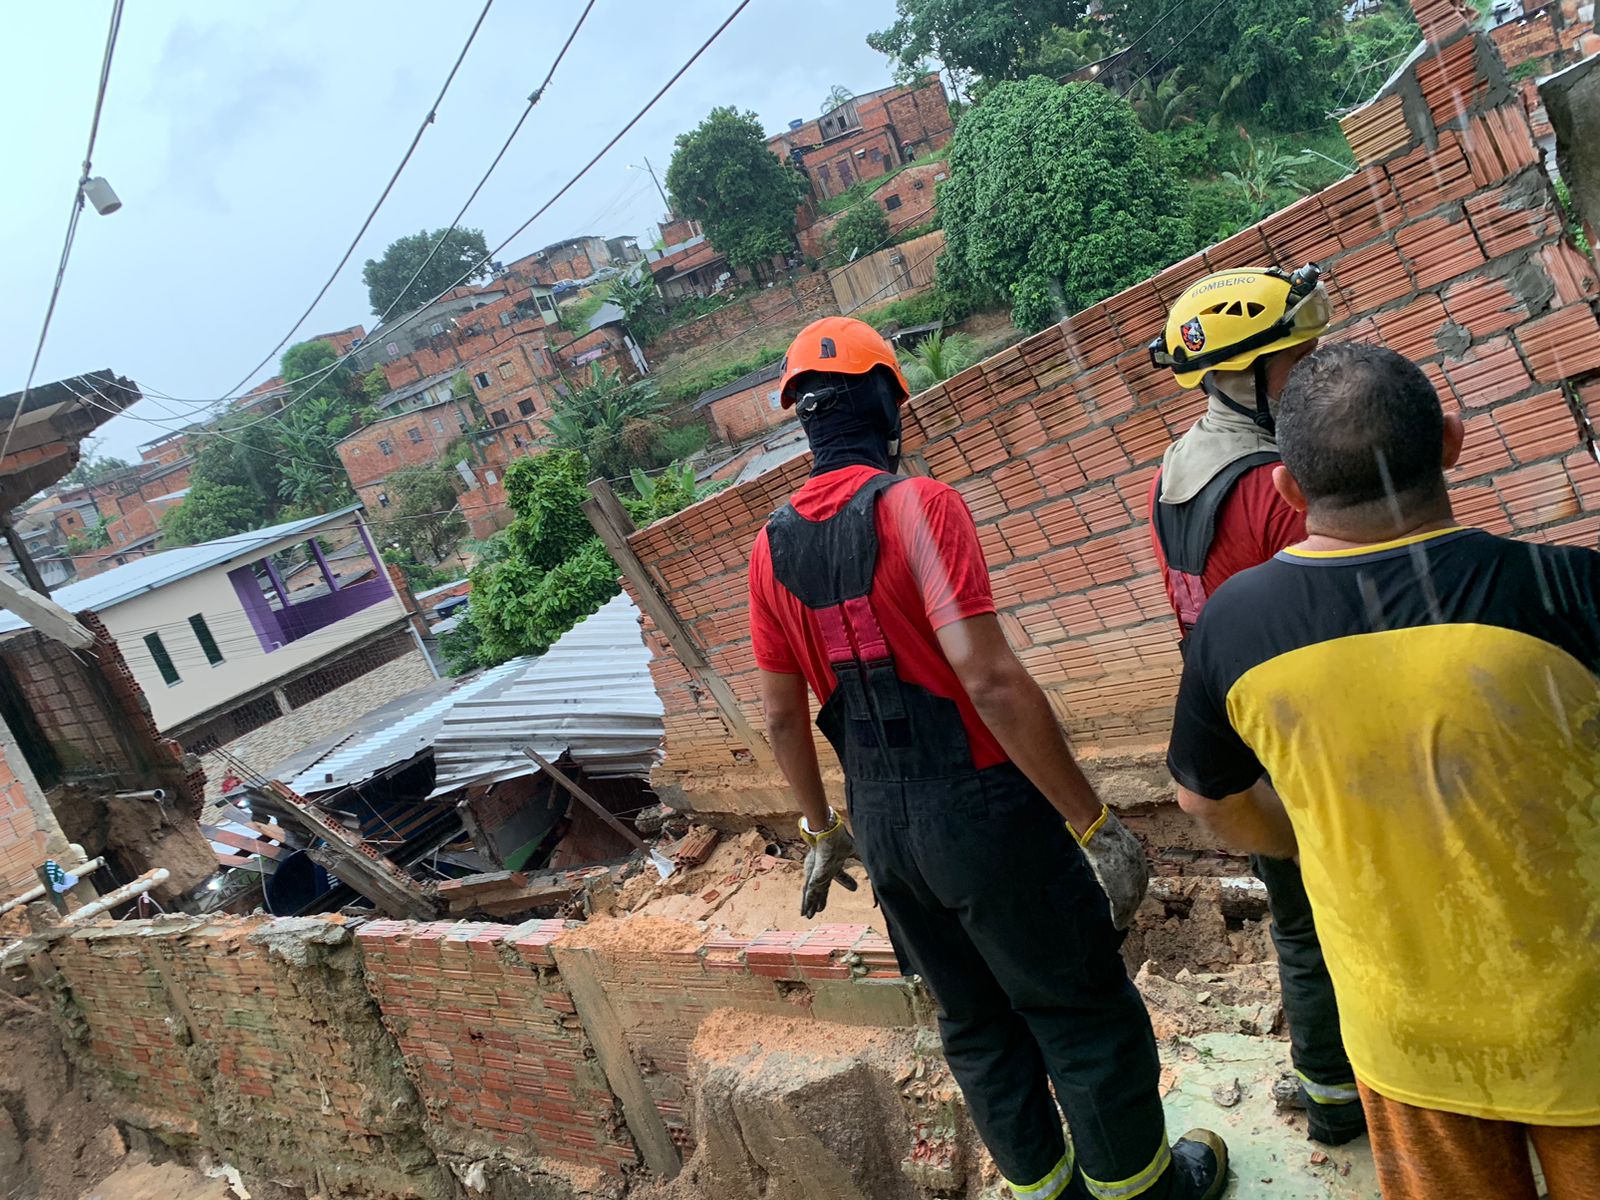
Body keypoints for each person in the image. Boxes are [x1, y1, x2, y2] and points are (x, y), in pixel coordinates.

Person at [749, 315, 1228, 1200]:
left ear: (805, 421)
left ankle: (1047, 1195)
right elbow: (991, 682)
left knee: (974, 1025)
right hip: (983, 816)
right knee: (1079, 1010)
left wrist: (824, 829)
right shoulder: (918, 506)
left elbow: (783, 718)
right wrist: (1094, 823)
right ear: (890, 403)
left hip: (885, 828)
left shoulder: (768, 546)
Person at [1166, 342, 1600, 1200]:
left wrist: (1307, 843)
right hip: (1582, 1027)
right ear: (1451, 442)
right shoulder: (1566, 589)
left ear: (1289, 490)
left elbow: (1204, 798)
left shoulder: (1236, 627)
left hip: (1405, 1039)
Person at [1146, 264, 1365, 1145]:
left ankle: (1329, 1092)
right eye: (1298, 359)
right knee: (1335, 917)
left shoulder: (1177, 469)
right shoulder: (1274, 483)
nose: (1314, 371)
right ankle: (1353, 1097)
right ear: (1246, 376)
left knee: (1297, 920)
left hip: (1240, 729)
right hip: (1312, 735)